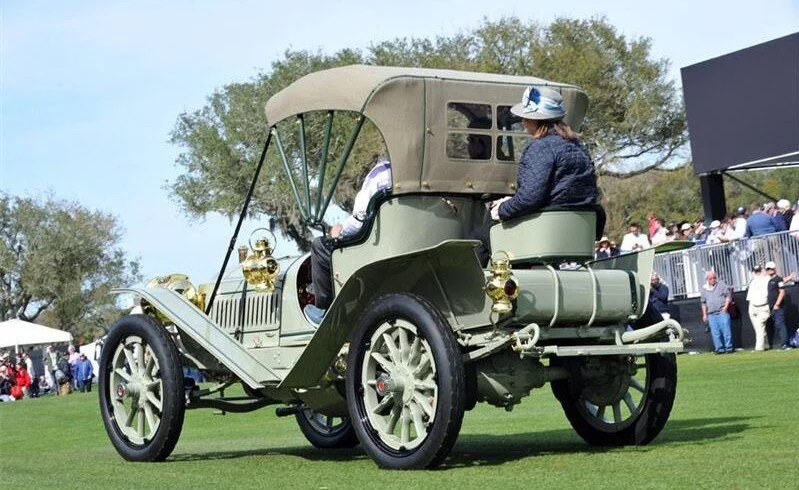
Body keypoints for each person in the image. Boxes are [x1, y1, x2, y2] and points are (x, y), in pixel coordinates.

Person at [473, 85, 598, 265]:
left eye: (527, 117)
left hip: (545, 229)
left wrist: (501, 209)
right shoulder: (578, 146)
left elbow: (530, 198)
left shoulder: (540, 147)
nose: (523, 121)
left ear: (537, 120)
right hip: (575, 230)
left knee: (478, 239)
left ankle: (475, 292)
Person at [304, 159, 393, 325]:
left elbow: (360, 220)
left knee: (319, 246)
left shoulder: (382, 173)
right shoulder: (436, 174)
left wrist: (341, 231)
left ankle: (325, 311)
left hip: (379, 251)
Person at [699, 271, 734, 354]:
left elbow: (728, 296)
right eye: (711, 278)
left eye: (714, 278)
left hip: (722, 311)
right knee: (715, 333)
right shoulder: (704, 289)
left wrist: (726, 307)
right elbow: (703, 303)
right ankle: (719, 349)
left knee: (726, 331)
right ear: (707, 279)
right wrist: (704, 314)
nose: (713, 280)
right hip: (711, 314)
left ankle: (729, 347)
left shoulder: (721, 284)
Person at [765, 261, 797, 350]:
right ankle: (785, 344)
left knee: (780, 324)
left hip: (778, 307)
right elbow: (783, 281)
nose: (769, 270)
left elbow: (782, 292)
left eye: (770, 268)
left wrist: (777, 304)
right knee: (779, 325)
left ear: (774, 269)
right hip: (773, 308)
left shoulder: (777, 279)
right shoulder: (772, 280)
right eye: (767, 269)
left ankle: (785, 344)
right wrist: (789, 277)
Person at [745, 264, 771, 351]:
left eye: (759, 271)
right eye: (756, 271)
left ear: (762, 271)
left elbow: (779, 281)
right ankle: (766, 345)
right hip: (752, 306)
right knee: (758, 329)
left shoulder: (768, 279)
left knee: (759, 327)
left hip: (763, 307)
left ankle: (759, 348)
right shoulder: (753, 281)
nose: (758, 273)